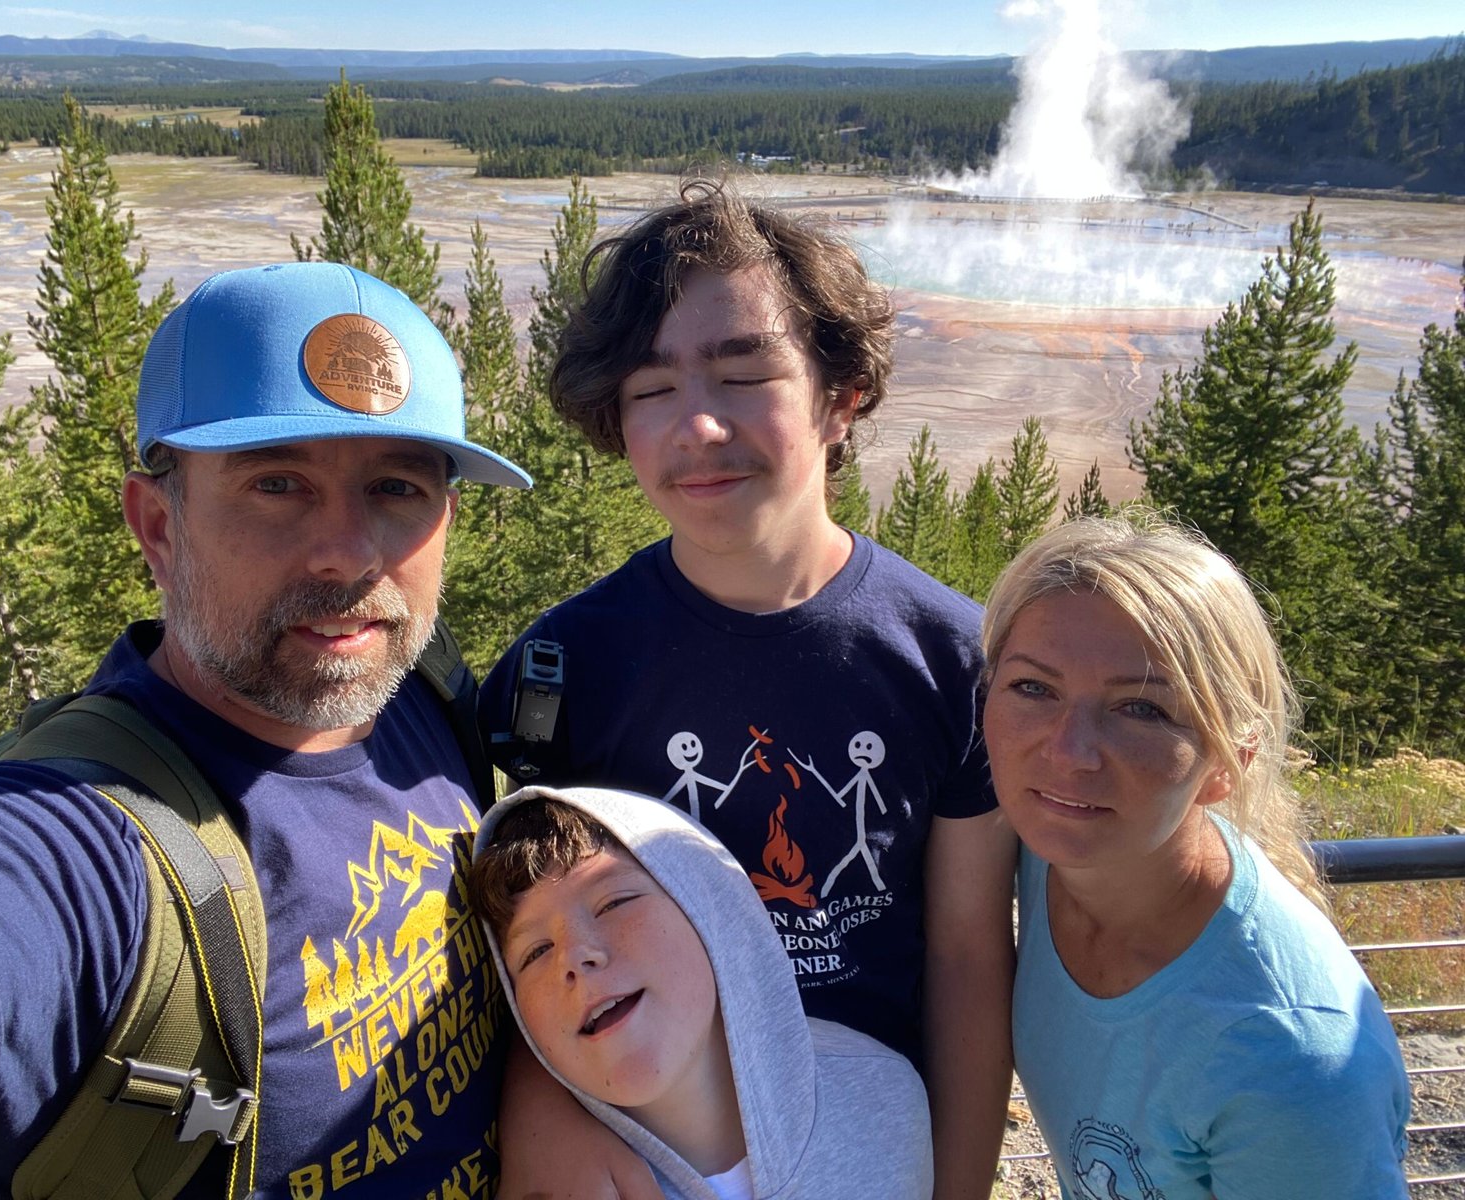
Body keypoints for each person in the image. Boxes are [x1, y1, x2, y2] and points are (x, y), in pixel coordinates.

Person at [0, 262, 531, 1199]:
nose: (349, 551)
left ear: (446, 518)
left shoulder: (425, 695)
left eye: (396, 487)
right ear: (158, 527)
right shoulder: (82, 842)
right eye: (277, 484)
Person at [479, 179, 1015, 1200]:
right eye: (651, 390)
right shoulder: (566, 668)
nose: (700, 427)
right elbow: (520, 942)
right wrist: (537, 1112)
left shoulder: (955, 659)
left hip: (866, 1142)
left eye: (741, 373)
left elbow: (964, 959)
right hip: (651, 1156)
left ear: (839, 394)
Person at [981, 513, 1411, 1200]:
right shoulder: (1045, 852)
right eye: (1034, 688)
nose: (1068, 752)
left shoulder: (1288, 1057)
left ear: (1227, 764)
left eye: (1141, 711)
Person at [471, 784, 933, 1200]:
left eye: (614, 902)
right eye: (534, 952)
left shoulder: (886, 1100)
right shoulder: (545, 1180)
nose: (574, 956)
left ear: (710, 903)